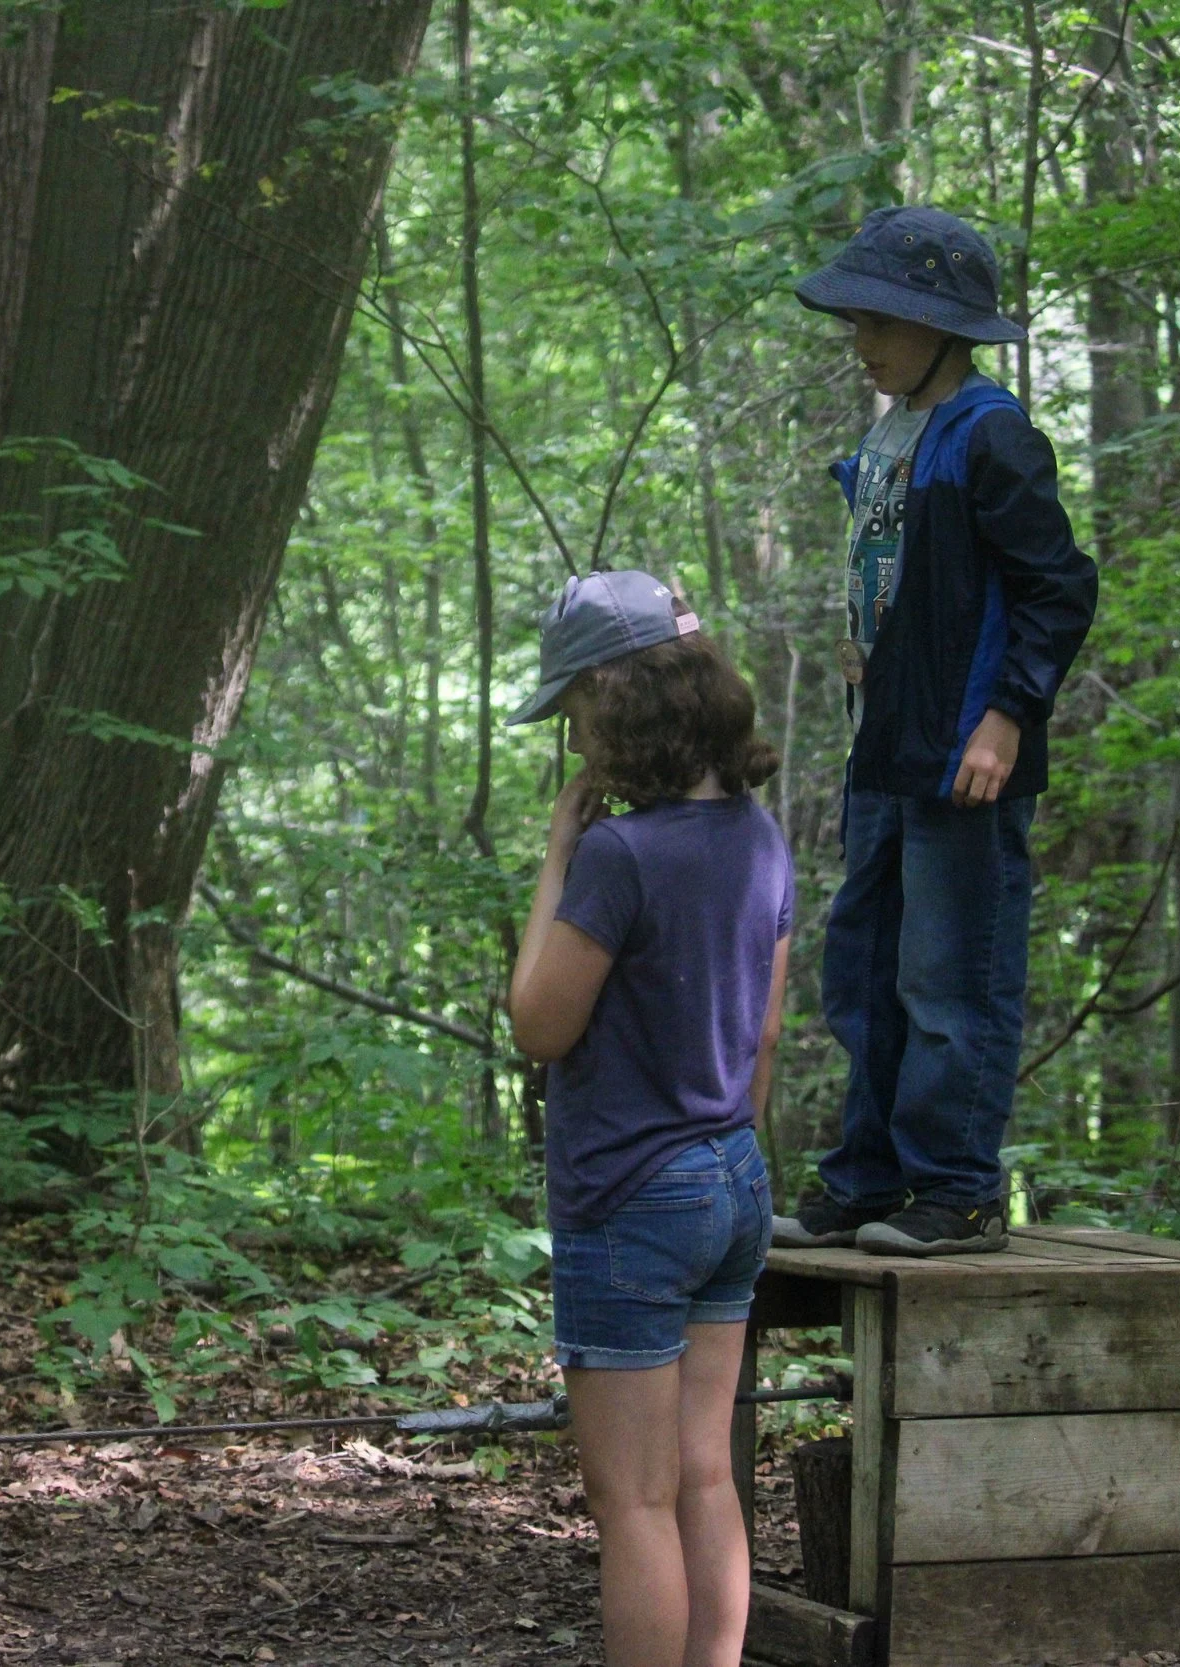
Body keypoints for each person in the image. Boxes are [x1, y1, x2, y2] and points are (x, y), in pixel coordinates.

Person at [772, 205, 1098, 1257]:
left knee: (950, 970)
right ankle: (868, 1180)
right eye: (856, 322)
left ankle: (955, 1190)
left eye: (879, 322)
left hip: (966, 752)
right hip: (886, 747)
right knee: (865, 964)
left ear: (941, 328)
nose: (861, 343)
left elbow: (1057, 587)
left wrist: (1006, 716)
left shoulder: (987, 431)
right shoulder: (890, 432)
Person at [506, 571, 794, 1667]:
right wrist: (724, 1140)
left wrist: (556, 857)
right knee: (705, 1470)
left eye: (576, 710)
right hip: (732, 1176)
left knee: (631, 1500)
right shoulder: (759, 838)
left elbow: (539, 1022)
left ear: (620, 700)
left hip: (630, 1196)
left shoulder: (619, 856)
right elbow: (763, 1035)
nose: (575, 739)